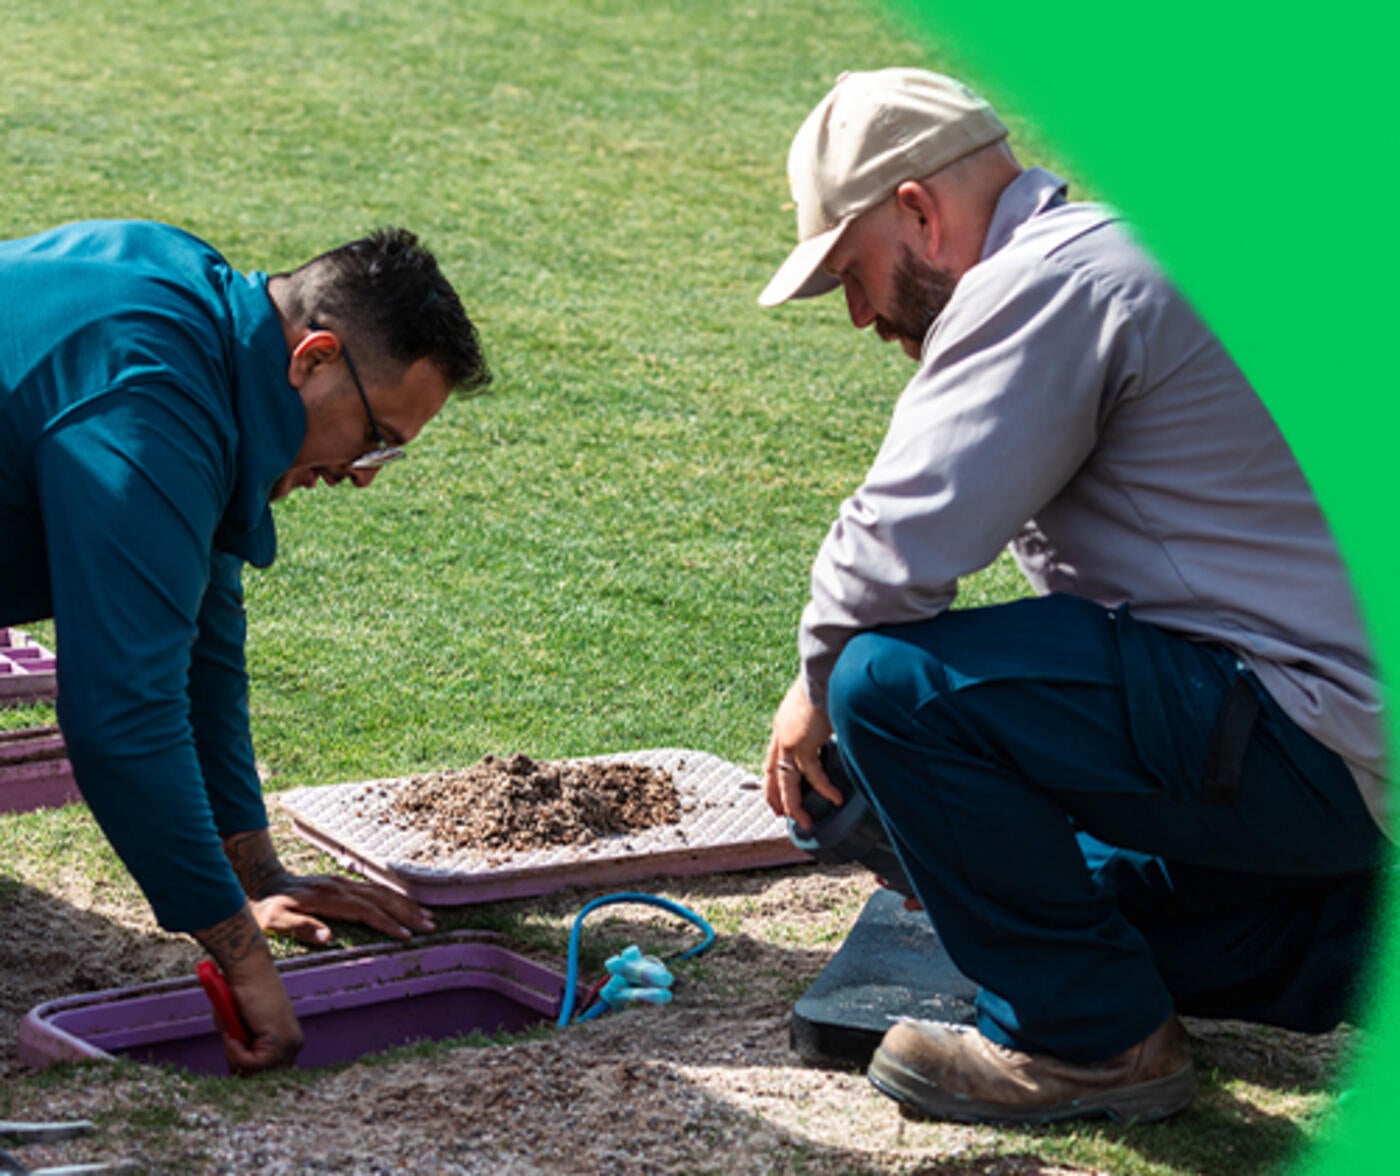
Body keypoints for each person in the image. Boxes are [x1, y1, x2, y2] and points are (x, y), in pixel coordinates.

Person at [758, 68, 1388, 1124]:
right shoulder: (1123, 246)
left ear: (915, 210)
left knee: (886, 683)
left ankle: (1087, 1046)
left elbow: (894, 544)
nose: (859, 314)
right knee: (1070, 908)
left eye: (852, 273)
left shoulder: (1045, 280)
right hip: (1344, 744)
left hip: (1302, 730)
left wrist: (813, 686)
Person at [0, 220, 490, 1074]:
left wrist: (257, 874)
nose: (364, 473)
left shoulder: (208, 324)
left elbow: (203, 644)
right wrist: (241, 957)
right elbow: (123, 718)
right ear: (315, 359)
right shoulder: (153, 398)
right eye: (376, 437)